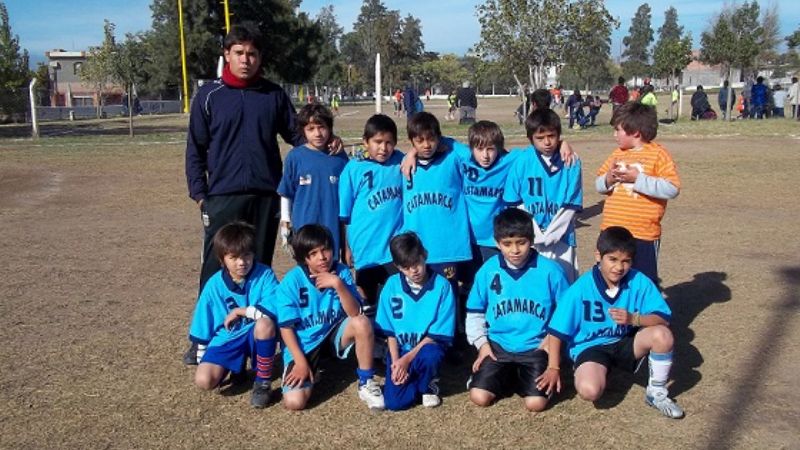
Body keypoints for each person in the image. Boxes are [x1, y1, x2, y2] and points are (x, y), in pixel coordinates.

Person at [185, 24, 303, 365]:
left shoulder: (273, 95)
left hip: (266, 195)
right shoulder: (209, 96)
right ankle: (202, 339)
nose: (246, 60)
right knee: (215, 267)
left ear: (260, 57)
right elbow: (195, 149)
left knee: (258, 265)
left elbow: (296, 135)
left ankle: (255, 334)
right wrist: (200, 195)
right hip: (222, 197)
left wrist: (324, 143)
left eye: (252, 53)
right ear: (227, 55)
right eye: (239, 53)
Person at [547, 226, 685, 419]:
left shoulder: (639, 281)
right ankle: (590, 369)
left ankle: (657, 393)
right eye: (612, 259)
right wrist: (553, 367)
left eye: (626, 261)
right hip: (591, 346)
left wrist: (634, 318)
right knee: (590, 391)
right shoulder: (580, 288)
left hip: (625, 342)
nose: (619, 267)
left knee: (662, 335)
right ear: (598, 256)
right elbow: (557, 331)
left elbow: (663, 317)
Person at [466, 208, 569, 411]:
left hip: (535, 347)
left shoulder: (551, 270)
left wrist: (551, 339)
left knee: (535, 404)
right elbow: (474, 312)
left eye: (521, 243)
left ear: (531, 240)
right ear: (497, 243)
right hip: (498, 346)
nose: (514, 250)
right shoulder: (488, 269)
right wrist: (482, 345)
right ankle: (503, 374)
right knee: (479, 397)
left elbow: (566, 312)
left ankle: (517, 375)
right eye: (507, 244)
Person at [276, 224, 384, 411]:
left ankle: (366, 382)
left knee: (362, 322)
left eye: (325, 249)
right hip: (305, 344)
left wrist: (338, 284)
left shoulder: (340, 271)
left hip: (333, 335)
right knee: (294, 402)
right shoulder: (292, 281)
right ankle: (311, 369)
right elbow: (286, 328)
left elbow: (355, 313)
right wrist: (301, 362)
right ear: (304, 258)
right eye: (314, 253)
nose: (322, 257)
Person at [188, 222, 280, 408]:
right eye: (234, 257)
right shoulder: (214, 284)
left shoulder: (264, 274)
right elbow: (203, 322)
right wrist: (202, 353)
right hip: (227, 337)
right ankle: (235, 367)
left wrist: (241, 311)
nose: (242, 262)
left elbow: (277, 305)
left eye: (247, 255)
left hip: (255, 332)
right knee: (204, 381)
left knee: (265, 324)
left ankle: (262, 382)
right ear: (222, 260)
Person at [596, 101, 680, 285]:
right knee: (607, 281)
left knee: (642, 283)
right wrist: (608, 179)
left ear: (635, 132)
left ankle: (641, 315)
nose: (614, 135)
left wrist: (638, 179)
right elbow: (599, 184)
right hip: (612, 232)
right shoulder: (617, 154)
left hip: (643, 234)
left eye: (618, 130)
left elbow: (672, 188)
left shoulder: (658, 154)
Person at [375, 232, 456, 410]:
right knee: (396, 403)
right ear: (397, 267)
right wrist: (397, 362)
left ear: (424, 255)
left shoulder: (442, 286)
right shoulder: (391, 285)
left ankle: (428, 386)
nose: (414, 270)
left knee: (431, 355)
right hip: (400, 349)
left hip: (426, 347)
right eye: (406, 267)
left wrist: (407, 360)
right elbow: (390, 332)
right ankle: (410, 382)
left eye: (417, 263)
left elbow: (437, 334)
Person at [503, 109, 582, 282]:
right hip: (530, 238)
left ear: (559, 135)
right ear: (530, 138)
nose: (547, 142)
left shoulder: (571, 161)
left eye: (552, 136)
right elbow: (514, 201)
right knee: (535, 286)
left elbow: (571, 205)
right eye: (540, 138)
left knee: (564, 285)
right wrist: (535, 234)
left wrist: (552, 235)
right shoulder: (522, 161)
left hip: (562, 238)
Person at [339, 114, 404, 306]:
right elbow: (345, 215)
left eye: (389, 142)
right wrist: (347, 247)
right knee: (366, 300)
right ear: (365, 142)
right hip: (365, 246)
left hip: (394, 248)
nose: (383, 148)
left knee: (395, 297)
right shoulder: (353, 169)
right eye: (377, 142)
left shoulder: (401, 161)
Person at [278, 103, 349, 261]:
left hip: (332, 227)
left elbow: (348, 196)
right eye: (311, 129)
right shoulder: (295, 157)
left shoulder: (340, 158)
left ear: (330, 128)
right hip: (304, 226)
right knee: (306, 271)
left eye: (321, 127)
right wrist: (285, 219)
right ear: (303, 130)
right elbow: (286, 192)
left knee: (331, 270)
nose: (317, 133)